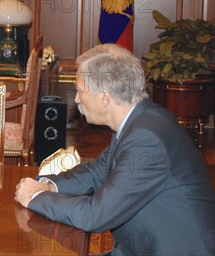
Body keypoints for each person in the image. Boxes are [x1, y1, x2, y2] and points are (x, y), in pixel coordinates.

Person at [14, 44, 215, 255]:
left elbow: (96, 216)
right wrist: (50, 186)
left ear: (105, 97)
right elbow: (95, 172)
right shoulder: (140, 122)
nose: (76, 99)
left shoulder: (147, 140)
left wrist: (37, 198)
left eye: (81, 91)